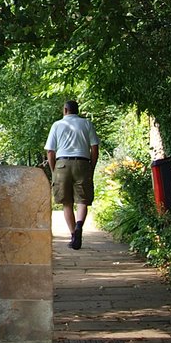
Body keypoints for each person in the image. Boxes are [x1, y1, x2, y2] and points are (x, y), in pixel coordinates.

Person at [45, 100, 100, 250]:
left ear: (65, 110)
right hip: (83, 163)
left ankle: (73, 235)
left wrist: (54, 170)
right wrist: (91, 167)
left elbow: (50, 151)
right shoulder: (87, 124)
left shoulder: (57, 125)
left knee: (66, 202)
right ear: (77, 110)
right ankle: (79, 226)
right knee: (83, 200)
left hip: (62, 164)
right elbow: (94, 148)